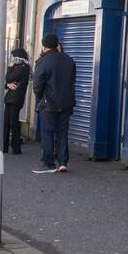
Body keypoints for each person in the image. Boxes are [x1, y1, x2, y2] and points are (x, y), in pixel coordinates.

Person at [31, 33, 77, 174]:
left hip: (48, 103)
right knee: (63, 132)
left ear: (44, 46)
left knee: (48, 132)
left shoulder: (43, 62)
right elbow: (72, 81)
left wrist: (39, 99)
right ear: (57, 45)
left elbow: (37, 85)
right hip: (66, 103)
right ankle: (63, 162)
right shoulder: (69, 60)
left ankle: (48, 163)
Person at [2, 47, 31, 155]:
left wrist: (9, 68)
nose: (12, 59)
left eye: (13, 57)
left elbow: (8, 78)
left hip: (16, 98)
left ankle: (15, 147)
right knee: (7, 122)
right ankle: (4, 146)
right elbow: (8, 82)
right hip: (11, 97)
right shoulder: (18, 66)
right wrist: (7, 85)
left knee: (13, 123)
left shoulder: (23, 67)